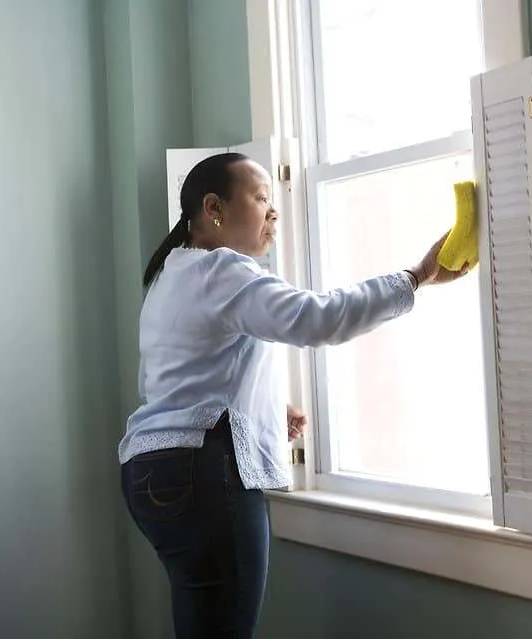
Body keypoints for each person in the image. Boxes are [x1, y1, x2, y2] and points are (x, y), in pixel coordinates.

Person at [118, 152, 470, 638]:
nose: (273, 212)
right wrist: (417, 276)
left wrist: (261, 411)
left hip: (150, 473)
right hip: (204, 476)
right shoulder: (224, 270)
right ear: (214, 208)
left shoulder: (172, 273)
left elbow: (185, 377)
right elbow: (317, 318)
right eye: (261, 198)